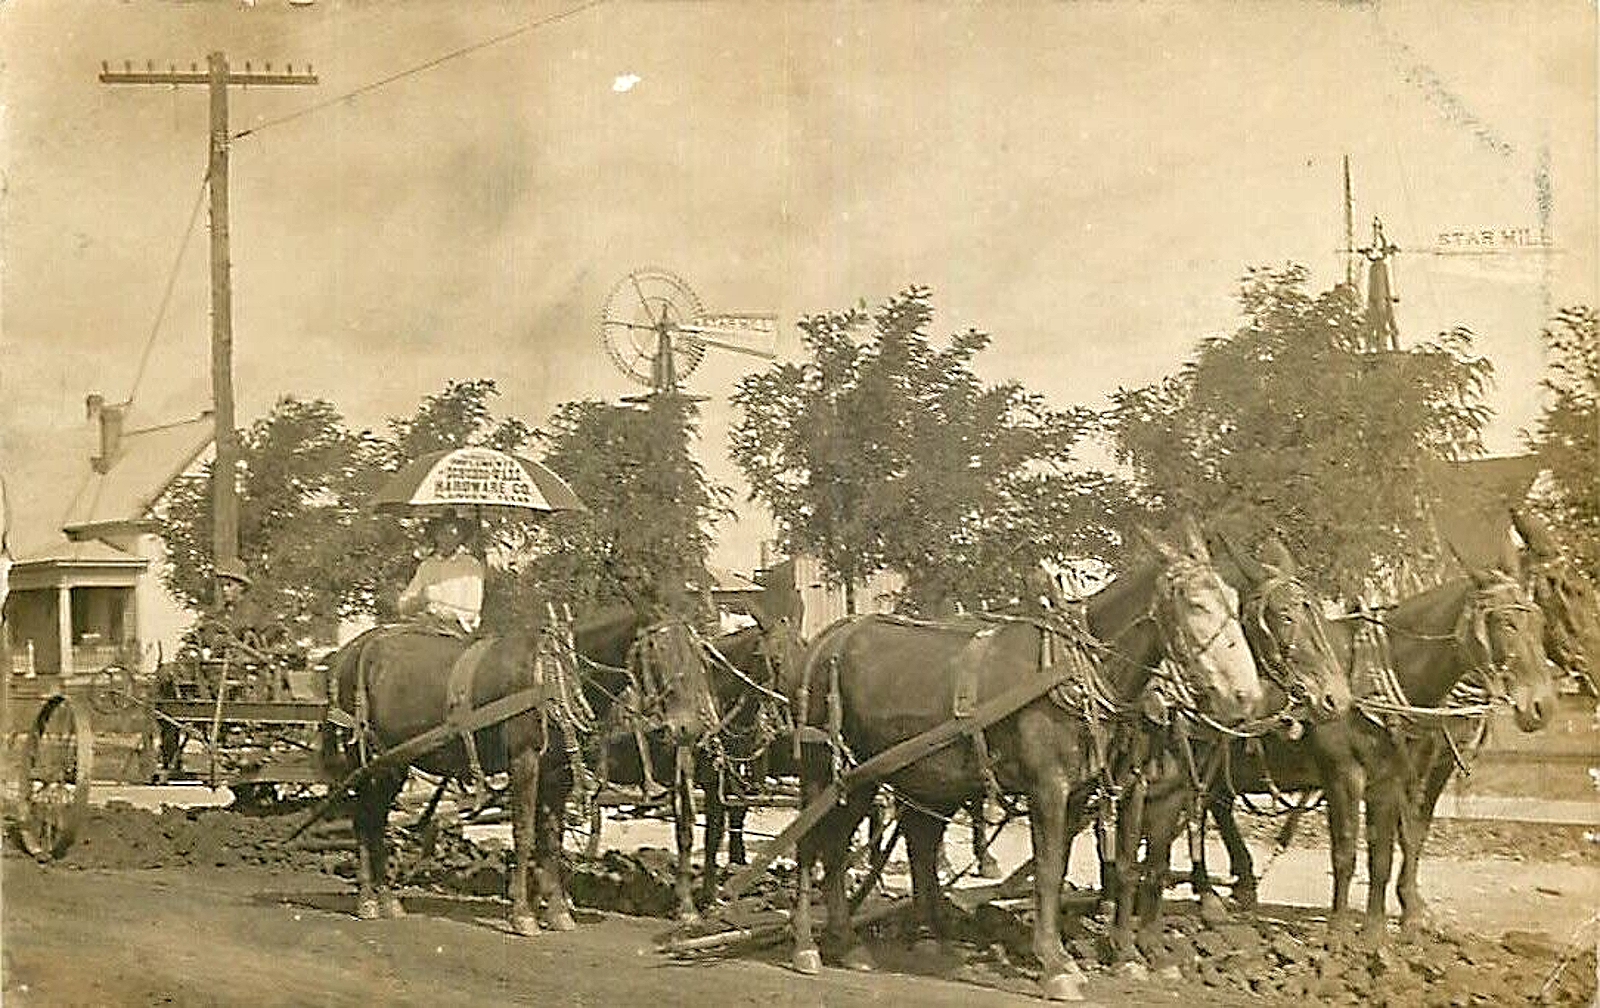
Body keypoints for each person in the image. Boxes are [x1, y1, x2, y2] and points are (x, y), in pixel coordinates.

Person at [398, 511, 485, 637]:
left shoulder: (471, 565)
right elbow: (404, 603)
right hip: (426, 628)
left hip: (459, 632)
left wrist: (441, 612)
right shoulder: (427, 565)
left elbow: (473, 609)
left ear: (461, 537)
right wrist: (415, 602)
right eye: (442, 533)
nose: (447, 538)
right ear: (435, 536)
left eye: (452, 534)